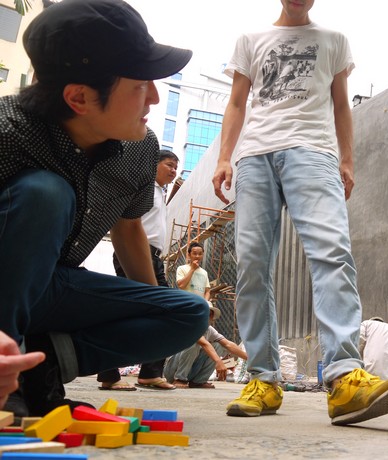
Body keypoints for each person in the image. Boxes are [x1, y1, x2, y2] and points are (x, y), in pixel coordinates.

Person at [0, 0, 209, 417]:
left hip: (56, 286)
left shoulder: (139, 148)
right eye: (140, 86)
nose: (154, 97)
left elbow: (129, 228)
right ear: (79, 97)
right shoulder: (8, 134)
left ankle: (39, 368)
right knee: (46, 193)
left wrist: (154, 310)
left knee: (188, 312)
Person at [212, 0, 388, 426]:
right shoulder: (250, 40)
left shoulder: (334, 41)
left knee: (332, 252)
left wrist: (348, 160)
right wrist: (224, 156)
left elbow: (341, 105)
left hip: (314, 152)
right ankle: (263, 379)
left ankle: (344, 379)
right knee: (251, 267)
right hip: (255, 157)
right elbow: (237, 103)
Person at [97, 150, 180, 391]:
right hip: (135, 253)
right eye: (169, 165)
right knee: (128, 312)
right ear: (154, 165)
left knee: (166, 311)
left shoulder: (159, 192)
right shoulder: (143, 188)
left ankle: (150, 373)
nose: (174, 170)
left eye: (176, 167)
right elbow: (125, 225)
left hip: (154, 258)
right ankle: (109, 372)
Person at [164, 305, 248, 388]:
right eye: (205, 313)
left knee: (218, 345)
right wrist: (219, 362)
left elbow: (228, 344)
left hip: (191, 370)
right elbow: (204, 343)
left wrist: (250, 359)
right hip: (173, 371)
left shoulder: (209, 329)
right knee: (194, 343)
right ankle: (179, 379)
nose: (208, 317)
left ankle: (198, 381)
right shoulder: (189, 325)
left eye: (210, 314)